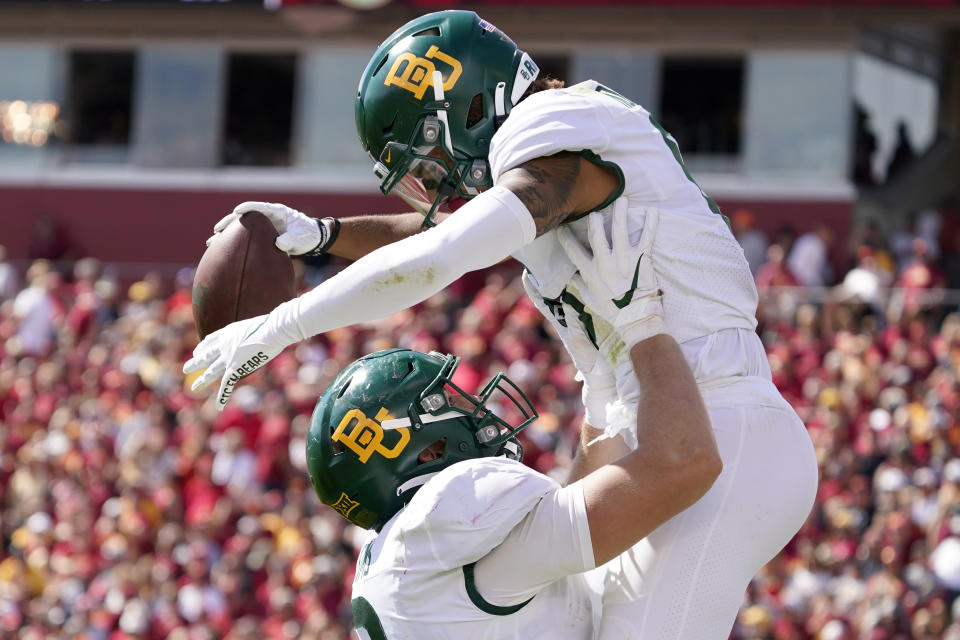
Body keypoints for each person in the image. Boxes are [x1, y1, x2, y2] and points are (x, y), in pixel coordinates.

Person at [186, 10, 818, 638]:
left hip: (719, 425)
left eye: (427, 154)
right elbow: (442, 231)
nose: (432, 180)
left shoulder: (550, 123)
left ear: (464, 106)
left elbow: (442, 252)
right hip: (674, 419)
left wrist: (281, 326)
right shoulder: (552, 171)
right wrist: (324, 235)